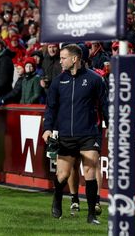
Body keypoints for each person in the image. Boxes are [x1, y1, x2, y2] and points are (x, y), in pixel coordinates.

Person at [42, 44, 108, 225]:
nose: (61, 61)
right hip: (65, 135)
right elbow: (51, 108)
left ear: (75, 59)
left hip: (89, 133)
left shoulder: (95, 79)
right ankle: (57, 199)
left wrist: (109, 124)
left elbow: (105, 104)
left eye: (63, 58)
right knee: (62, 174)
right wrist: (47, 128)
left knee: (90, 170)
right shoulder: (57, 81)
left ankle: (91, 214)